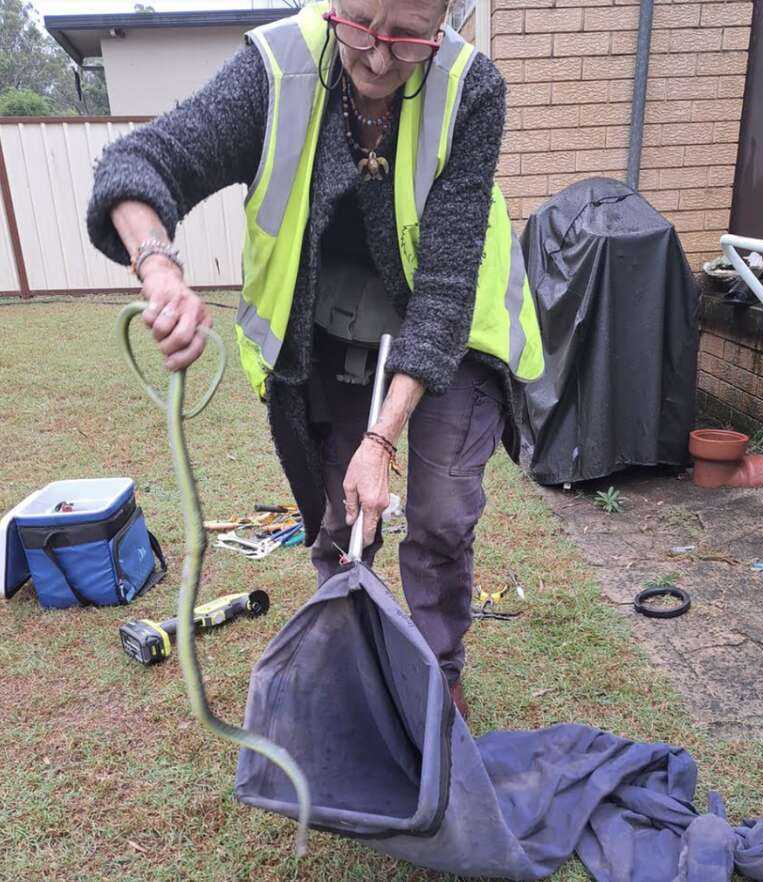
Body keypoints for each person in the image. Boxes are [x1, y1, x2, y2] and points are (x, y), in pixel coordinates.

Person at [87, 0, 543, 718]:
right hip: (326, 329)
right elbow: (140, 162)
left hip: (450, 329)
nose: (381, 57)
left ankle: (437, 677)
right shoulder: (277, 69)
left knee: (443, 513)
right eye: (361, 23)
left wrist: (382, 438)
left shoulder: (471, 88)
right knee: (339, 522)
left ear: (447, 18)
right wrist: (159, 266)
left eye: (408, 38)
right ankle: (355, 666)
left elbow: (447, 290)